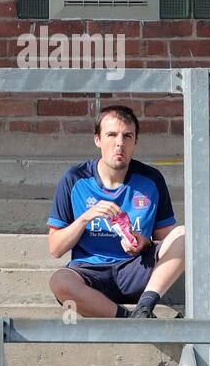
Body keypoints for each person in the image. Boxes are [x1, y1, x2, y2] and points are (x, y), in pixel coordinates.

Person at [46, 105, 186, 318]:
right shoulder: (74, 179)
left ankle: (146, 305)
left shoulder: (152, 179)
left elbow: (167, 243)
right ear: (98, 140)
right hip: (90, 273)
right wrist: (85, 217)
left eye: (127, 136)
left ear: (135, 142)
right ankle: (131, 318)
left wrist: (144, 242)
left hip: (137, 270)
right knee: (60, 282)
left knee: (184, 234)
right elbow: (55, 248)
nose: (120, 143)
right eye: (111, 135)